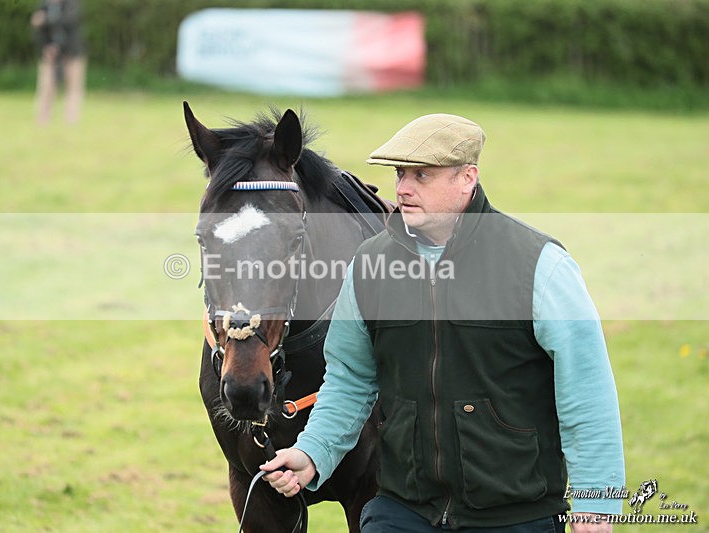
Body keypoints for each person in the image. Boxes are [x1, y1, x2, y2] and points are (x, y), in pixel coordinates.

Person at [261, 114, 625, 532]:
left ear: (467, 178)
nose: (402, 188)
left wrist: (597, 506)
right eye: (400, 173)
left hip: (518, 514)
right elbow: (350, 379)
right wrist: (312, 453)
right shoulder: (369, 265)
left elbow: (587, 394)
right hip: (402, 509)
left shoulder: (538, 266)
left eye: (422, 175)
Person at [30, 0, 86, 124]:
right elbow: (37, 31)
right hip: (49, 55)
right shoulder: (44, 6)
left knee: (73, 87)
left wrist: (45, 20)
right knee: (46, 87)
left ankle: (71, 120)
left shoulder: (72, 4)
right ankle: (42, 120)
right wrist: (45, 48)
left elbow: (69, 21)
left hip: (72, 54)